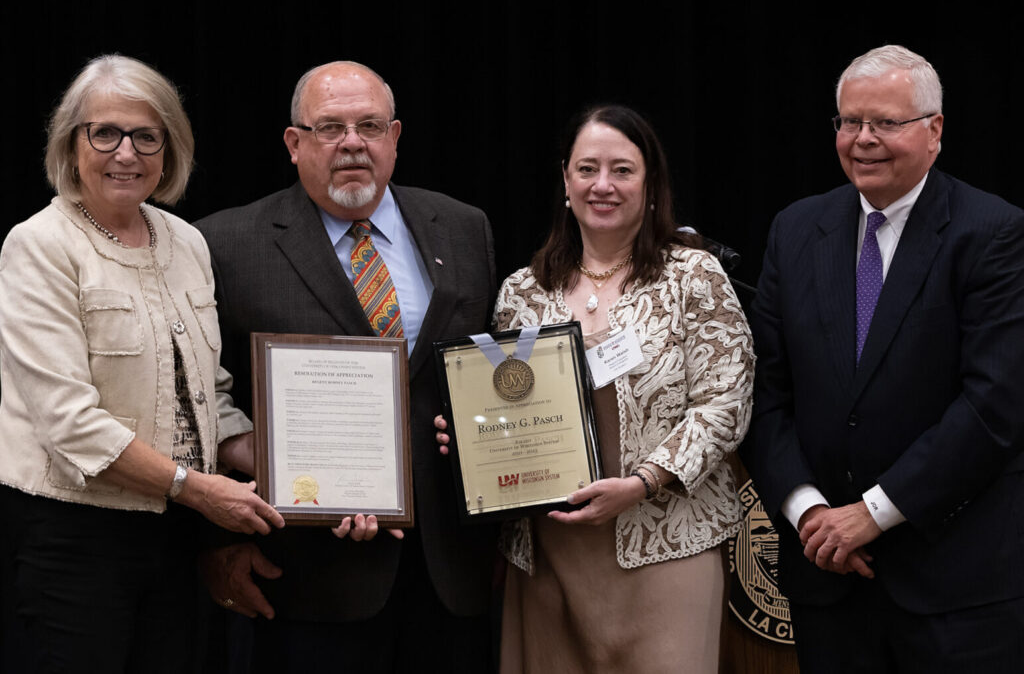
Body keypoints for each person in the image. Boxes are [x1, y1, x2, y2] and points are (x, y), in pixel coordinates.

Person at [194, 61, 499, 673]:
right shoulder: (226, 243)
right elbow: (200, 401)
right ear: (294, 142)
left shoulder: (465, 228)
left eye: (370, 125)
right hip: (305, 577)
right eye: (330, 127)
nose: (353, 142)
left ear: (395, 137)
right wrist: (219, 545)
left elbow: (485, 369)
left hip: (451, 568)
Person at [436, 104, 754, 673]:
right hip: (548, 559)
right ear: (565, 180)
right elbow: (503, 403)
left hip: (664, 547)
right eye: (587, 168)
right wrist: (469, 432)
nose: (602, 185)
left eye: (622, 170)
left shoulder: (693, 276)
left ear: (651, 183)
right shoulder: (521, 291)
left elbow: (727, 405)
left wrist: (642, 483)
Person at [0, 54, 284, 673]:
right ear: (72, 144)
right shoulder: (39, 246)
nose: (125, 152)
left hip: (176, 536)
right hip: (76, 540)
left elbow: (207, 392)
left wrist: (267, 453)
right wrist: (198, 489)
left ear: (169, 148)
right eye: (105, 132)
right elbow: (70, 423)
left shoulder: (187, 242)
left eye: (145, 136)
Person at [745, 44, 1024, 673]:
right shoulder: (796, 230)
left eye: (884, 123)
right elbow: (764, 390)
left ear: (935, 130)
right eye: (849, 122)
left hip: (956, 589)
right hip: (830, 583)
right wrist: (810, 512)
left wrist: (872, 514)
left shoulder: (993, 232)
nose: (862, 139)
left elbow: (994, 406)